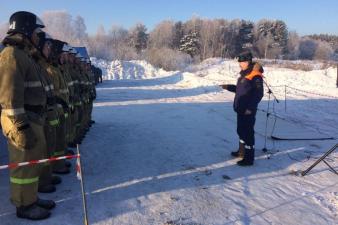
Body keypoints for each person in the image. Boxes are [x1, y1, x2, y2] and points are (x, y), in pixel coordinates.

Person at [0, 11, 55, 220]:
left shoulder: (24, 56)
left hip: (32, 119)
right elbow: (8, 96)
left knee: (32, 163)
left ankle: (31, 198)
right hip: (22, 120)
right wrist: (20, 126)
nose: (38, 37)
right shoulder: (11, 55)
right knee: (23, 166)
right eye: (35, 32)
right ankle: (24, 206)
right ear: (25, 30)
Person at [220, 51, 264, 166]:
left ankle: (249, 158)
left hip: (248, 111)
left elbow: (258, 94)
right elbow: (241, 90)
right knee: (241, 131)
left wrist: (250, 108)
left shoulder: (255, 76)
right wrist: (228, 87)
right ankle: (241, 151)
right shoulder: (244, 74)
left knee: (248, 133)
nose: (240, 64)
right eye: (239, 62)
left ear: (247, 62)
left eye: (242, 62)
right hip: (240, 109)